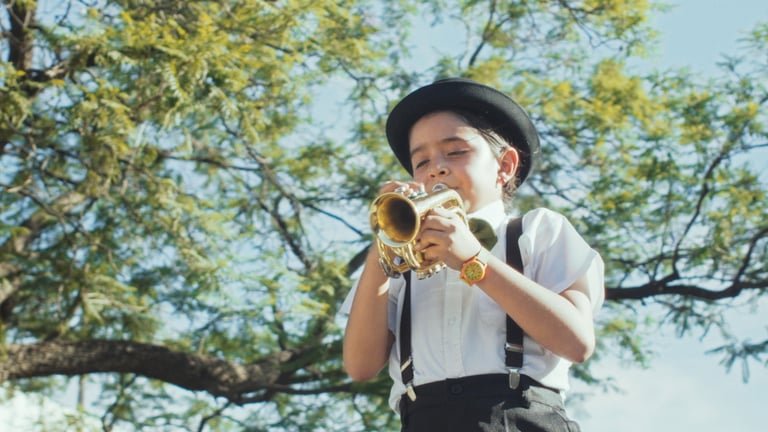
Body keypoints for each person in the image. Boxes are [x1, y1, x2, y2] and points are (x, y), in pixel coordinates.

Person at [341, 78, 604, 432]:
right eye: (421, 162)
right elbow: (359, 365)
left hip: (520, 415)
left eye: (455, 152)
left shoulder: (538, 229)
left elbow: (577, 342)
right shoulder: (403, 259)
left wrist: (472, 260)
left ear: (505, 165)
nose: (436, 168)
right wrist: (384, 243)